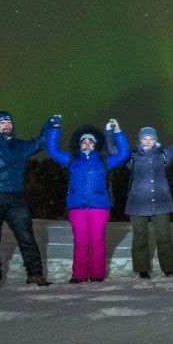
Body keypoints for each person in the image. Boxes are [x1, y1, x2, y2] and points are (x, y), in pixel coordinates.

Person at [0, 110, 57, 288]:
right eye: (3, 122)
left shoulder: (19, 146)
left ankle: (35, 275)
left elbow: (40, 143)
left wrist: (48, 126)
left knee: (27, 237)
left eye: (10, 122)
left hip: (16, 198)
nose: (8, 124)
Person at [47, 119, 131, 283]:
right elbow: (52, 150)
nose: (86, 143)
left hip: (99, 207)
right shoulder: (71, 161)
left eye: (90, 141)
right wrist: (55, 129)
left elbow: (124, 154)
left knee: (97, 242)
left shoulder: (105, 161)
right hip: (77, 207)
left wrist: (118, 132)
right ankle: (78, 275)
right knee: (80, 242)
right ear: (78, 144)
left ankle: (97, 275)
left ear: (95, 144)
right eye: (83, 141)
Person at [126, 119, 173, 279]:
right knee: (140, 237)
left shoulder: (163, 155)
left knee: (164, 237)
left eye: (151, 138)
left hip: (161, 202)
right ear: (140, 140)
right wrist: (112, 132)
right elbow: (114, 150)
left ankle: (168, 269)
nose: (148, 141)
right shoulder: (132, 156)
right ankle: (143, 270)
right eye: (144, 138)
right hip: (138, 203)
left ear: (155, 140)